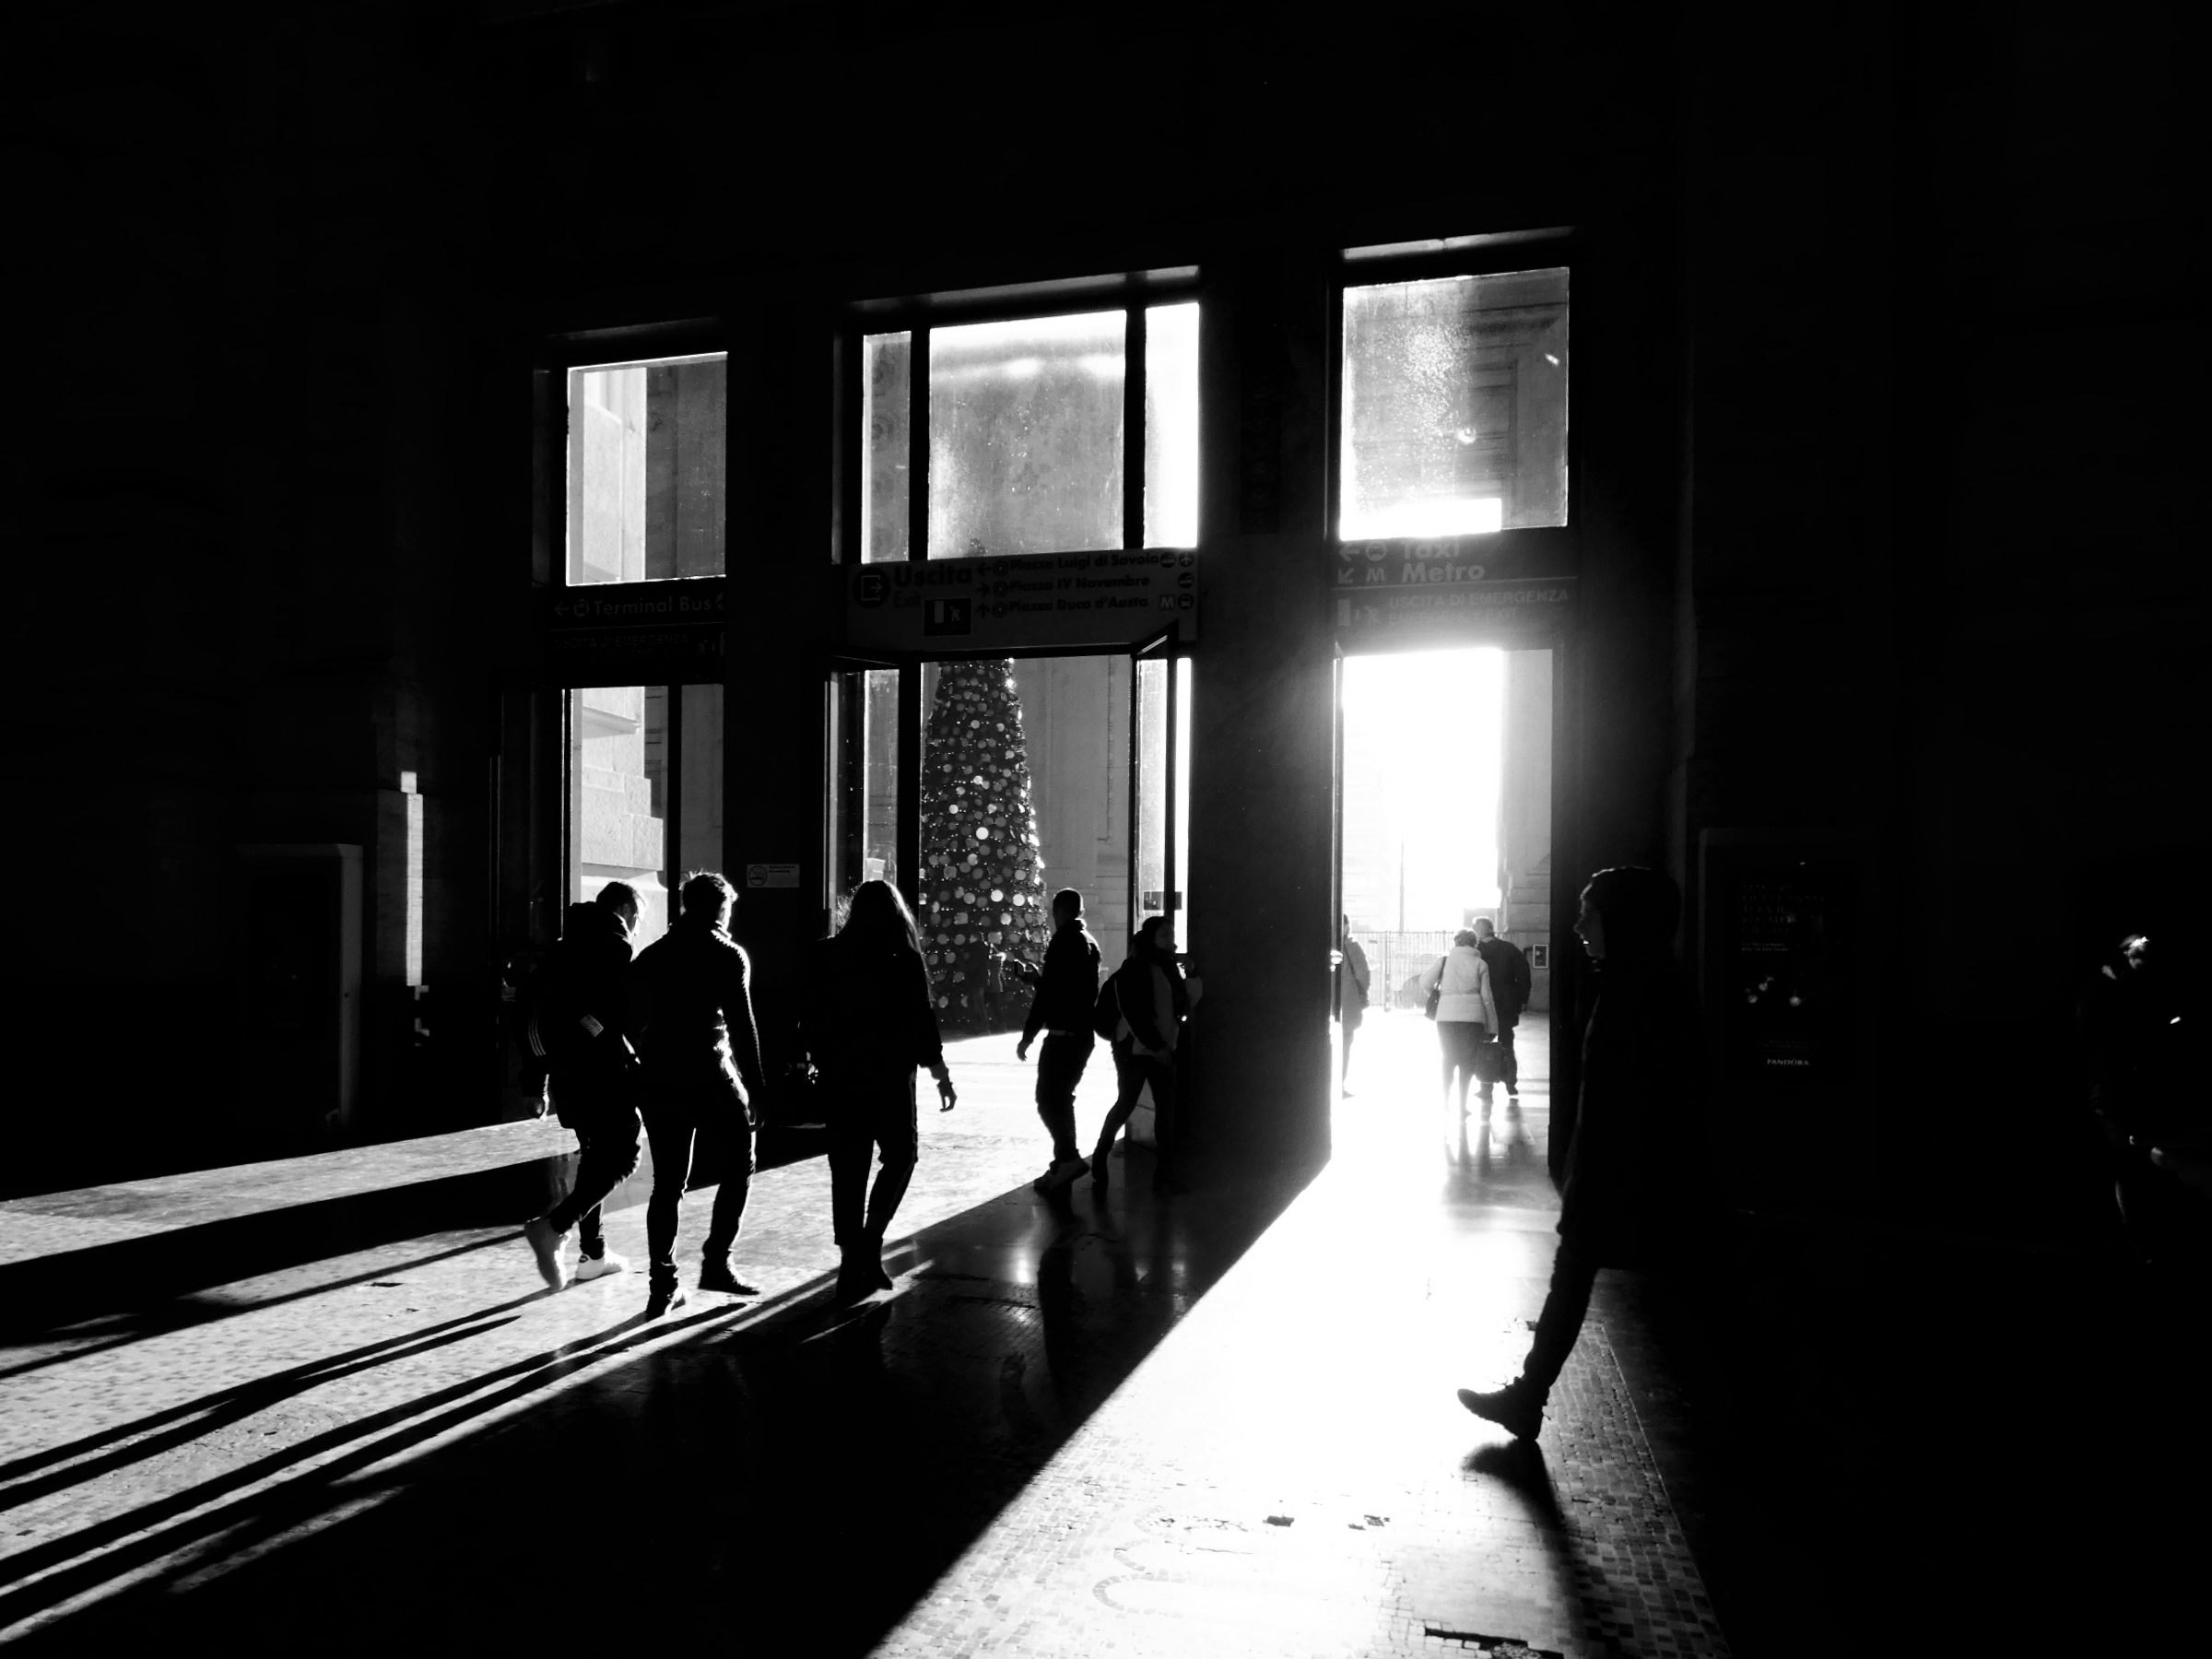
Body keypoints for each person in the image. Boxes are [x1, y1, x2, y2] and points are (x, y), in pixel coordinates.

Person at [1458, 866, 1704, 1441]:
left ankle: (1531, 1397)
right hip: (1618, 1175)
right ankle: (1529, 1395)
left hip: (1628, 1176)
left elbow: (1648, 1099)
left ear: (1622, 922)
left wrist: (1600, 1173)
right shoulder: (1635, 983)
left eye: (1589, 915)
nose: (1578, 927)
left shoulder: (1642, 992)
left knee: (1590, 1281)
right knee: (1578, 1280)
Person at [803, 879, 956, 1303]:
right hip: (890, 1077)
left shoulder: (825, 954)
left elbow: (810, 1015)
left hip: (842, 1077)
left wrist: (822, 1057)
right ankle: (870, 1242)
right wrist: (939, 1073)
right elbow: (921, 1020)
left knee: (847, 1170)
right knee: (902, 1155)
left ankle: (852, 1259)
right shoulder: (902, 958)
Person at [629, 871, 769, 1318]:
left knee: (667, 1183)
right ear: (722, 908)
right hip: (710, 1075)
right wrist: (758, 1089)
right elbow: (742, 1027)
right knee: (740, 1161)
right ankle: (717, 1262)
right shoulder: (728, 954)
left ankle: (662, 1284)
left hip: (658, 1078)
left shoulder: (652, 955)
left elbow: (629, 1020)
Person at [520, 883, 646, 1290]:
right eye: (637, 916)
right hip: (604, 1074)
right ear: (624, 909)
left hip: (568, 1077)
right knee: (624, 1155)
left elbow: (532, 1015)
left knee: (594, 1159)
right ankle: (553, 1227)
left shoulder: (560, 949)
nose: (637, 925)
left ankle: (594, 1254)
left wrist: (536, 1081)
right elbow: (630, 1019)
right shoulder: (616, 949)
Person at [1092, 915, 1195, 1192]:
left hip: (1163, 1048)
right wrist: (1155, 1045)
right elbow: (1134, 1012)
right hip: (1134, 1049)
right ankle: (1101, 1155)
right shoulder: (1135, 970)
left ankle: (1165, 1174)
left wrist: (1191, 973)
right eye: (1164, 935)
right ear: (1151, 939)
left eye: (1171, 934)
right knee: (1127, 1103)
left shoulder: (1169, 968)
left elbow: (1183, 1004)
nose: (1170, 940)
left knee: (1165, 1110)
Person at [1017, 888, 1102, 1192]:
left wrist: (1028, 1036)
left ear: (1060, 911)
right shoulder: (1089, 942)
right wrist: (1037, 980)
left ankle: (1067, 1159)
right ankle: (1062, 1164)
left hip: (1063, 1035)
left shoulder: (1063, 941)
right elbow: (1067, 987)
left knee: (1048, 1100)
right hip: (1082, 1034)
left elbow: (1050, 995)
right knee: (1062, 1099)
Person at [1422, 929, 1500, 1118]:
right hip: (1472, 1019)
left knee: (1448, 1059)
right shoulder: (1480, 964)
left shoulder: (1444, 961)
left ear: (1456, 942)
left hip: (1446, 1018)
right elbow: (1487, 998)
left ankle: (1445, 1103)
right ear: (1474, 943)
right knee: (1467, 1062)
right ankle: (1462, 1106)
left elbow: (1425, 982)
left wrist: (1441, 997)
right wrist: (1492, 1026)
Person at [1474, 917, 1533, 1107]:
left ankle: (1486, 1087)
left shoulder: (1476, 952)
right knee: (1507, 1043)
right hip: (1506, 1005)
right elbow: (1524, 974)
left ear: (1480, 931)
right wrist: (1521, 999)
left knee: (1485, 1046)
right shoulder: (1509, 949)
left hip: (1483, 1005)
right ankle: (1510, 1083)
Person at [1338, 915, 1371, 1093]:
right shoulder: (1352, 946)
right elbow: (1363, 975)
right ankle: (1339, 1085)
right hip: (1348, 1002)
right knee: (1344, 1044)